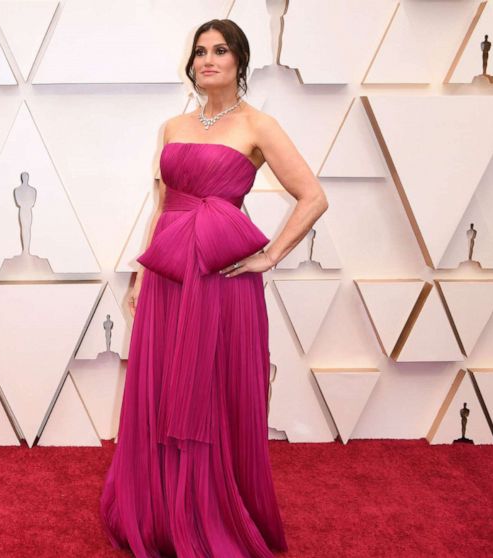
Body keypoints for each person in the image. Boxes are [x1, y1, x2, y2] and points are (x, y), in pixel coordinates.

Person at [99, 19, 328, 557]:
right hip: (168, 277)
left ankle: (209, 515)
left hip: (223, 284)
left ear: (239, 60)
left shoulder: (258, 125)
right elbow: (164, 206)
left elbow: (312, 196)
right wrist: (141, 272)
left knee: (212, 393)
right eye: (200, 51)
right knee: (159, 391)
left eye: (220, 50)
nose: (208, 60)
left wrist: (269, 255)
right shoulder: (173, 126)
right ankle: (160, 513)